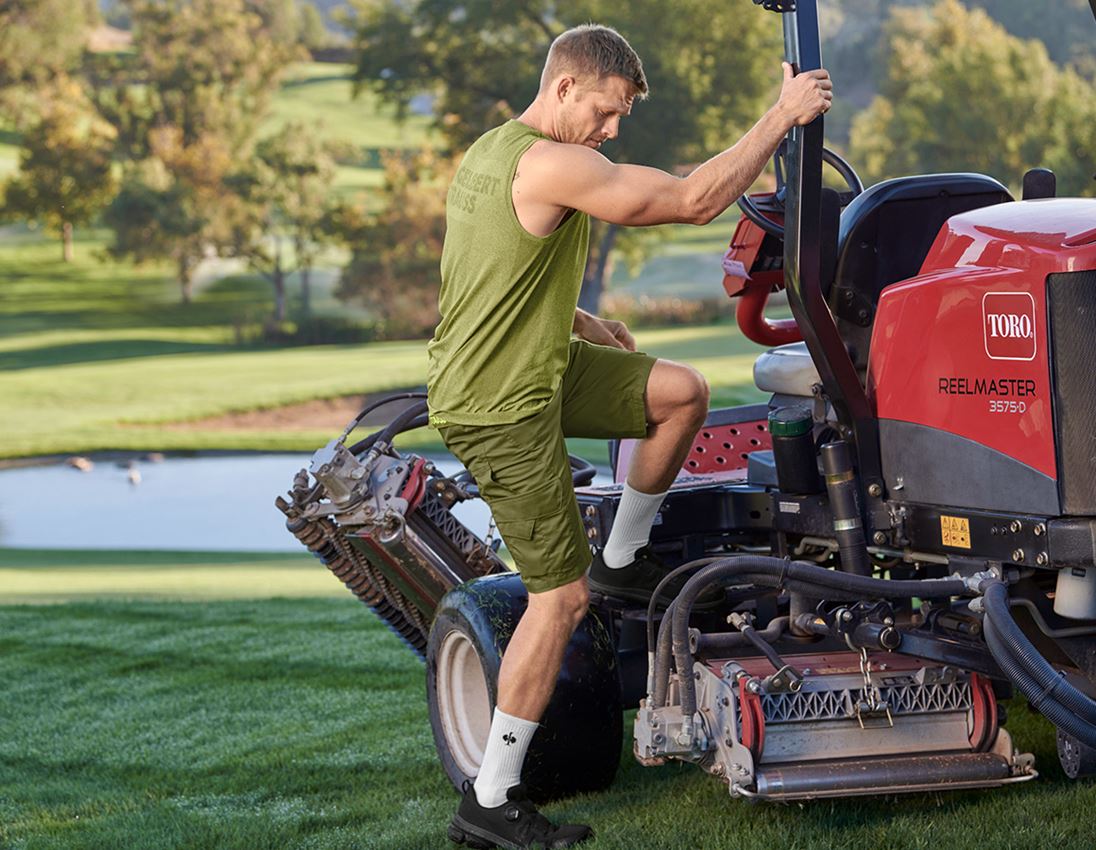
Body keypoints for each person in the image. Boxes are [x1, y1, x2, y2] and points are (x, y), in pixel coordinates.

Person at [427, 23, 832, 849]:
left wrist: (574, 320)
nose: (611, 134)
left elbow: (488, 268)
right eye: (606, 114)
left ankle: (622, 557)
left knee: (678, 392)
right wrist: (782, 116)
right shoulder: (554, 160)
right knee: (557, 600)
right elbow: (689, 201)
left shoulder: (492, 153)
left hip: (536, 361)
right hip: (500, 403)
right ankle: (491, 801)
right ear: (567, 87)